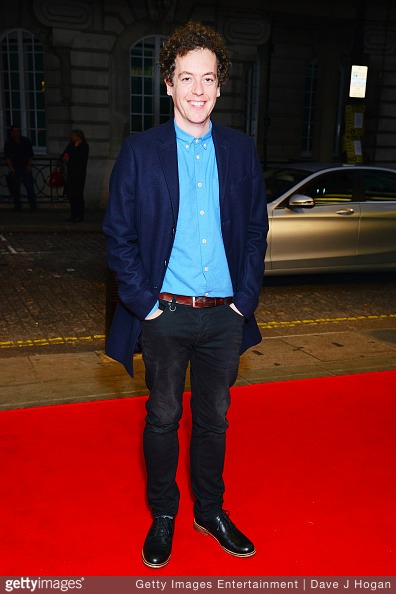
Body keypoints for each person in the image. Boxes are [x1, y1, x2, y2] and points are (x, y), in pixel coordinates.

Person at [103, 20, 268, 569]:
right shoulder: (140, 151)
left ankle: (210, 511)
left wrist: (245, 300)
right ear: (168, 85)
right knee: (163, 417)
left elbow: (253, 230)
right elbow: (118, 236)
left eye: (208, 79)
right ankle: (164, 515)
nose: (198, 90)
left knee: (215, 419)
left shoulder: (242, 152)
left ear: (220, 87)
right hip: (165, 314)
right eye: (186, 78)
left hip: (225, 316)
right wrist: (145, 304)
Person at [4, 125, 37, 210]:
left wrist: (29, 165)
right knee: (15, 187)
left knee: (29, 186)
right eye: (15, 131)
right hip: (15, 167)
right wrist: (11, 168)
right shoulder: (8, 142)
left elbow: (30, 154)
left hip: (25, 166)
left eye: (18, 131)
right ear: (11, 132)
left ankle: (33, 205)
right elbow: (7, 157)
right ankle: (17, 205)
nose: (17, 133)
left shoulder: (25, 140)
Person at [61, 129, 89, 221]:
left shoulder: (84, 146)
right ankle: (73, 215)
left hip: (79, 174)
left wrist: (76, 147)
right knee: (71, 195)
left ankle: (80, 216)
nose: (71, 137)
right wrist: (65, 157)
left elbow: (80, 159)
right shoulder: (70, 145)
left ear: (78, 137)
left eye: (73, 135)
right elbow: (64, 155)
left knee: (78, 195)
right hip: (71, 173)